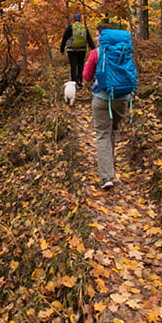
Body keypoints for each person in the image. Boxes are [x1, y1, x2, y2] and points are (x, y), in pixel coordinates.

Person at [82, 23, 135, 190]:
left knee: (103, 134)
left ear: (102, 36)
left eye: (97, 35)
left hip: (102, 98)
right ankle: (109, 166)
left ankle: (106, 177)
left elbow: (86, 76)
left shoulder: (96, 53)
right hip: (122, 99)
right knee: (112, 130)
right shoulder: (124, 51)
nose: (96, 37)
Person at [59, 13, 95, 88]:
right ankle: (80, 81)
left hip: (71, 50)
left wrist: (62, 49)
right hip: (82, 49)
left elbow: (64, 38)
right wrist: (93, 49)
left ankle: (74, 82)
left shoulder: (70, 27)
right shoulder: (84, 27)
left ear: (74, 19)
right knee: (80, 65)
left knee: (73, 66)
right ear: (80, 19)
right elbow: (89, 38)